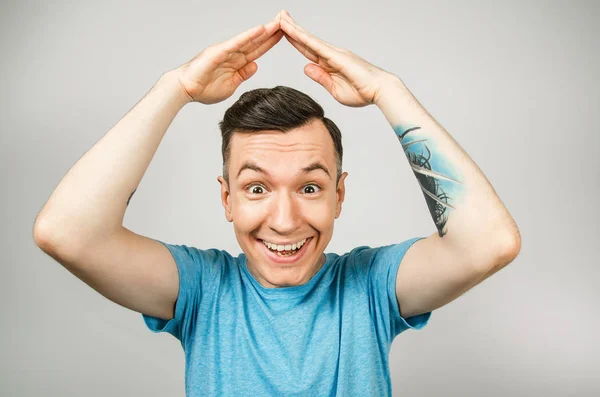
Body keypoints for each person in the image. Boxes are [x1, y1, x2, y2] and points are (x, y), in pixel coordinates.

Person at [33, 9, 521, 397]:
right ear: (227, 198)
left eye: (309, 188)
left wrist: (387, 92)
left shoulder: (370, 287)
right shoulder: (203, 290)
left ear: (339, 195)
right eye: (256, 188)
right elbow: (66, 233)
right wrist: (174, 89)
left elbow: (489, 243)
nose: (284, 222)